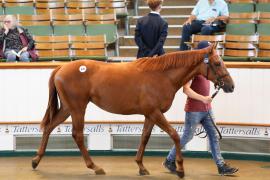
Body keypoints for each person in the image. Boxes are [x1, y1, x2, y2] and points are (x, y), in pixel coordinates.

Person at [163, 41, 239, 176]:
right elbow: (186, 90)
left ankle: (221, 166)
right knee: (187, 137)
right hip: (194, 110)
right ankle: (169, 160)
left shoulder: (207, 69)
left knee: (213, 136)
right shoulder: (192, 71)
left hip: (207, 109)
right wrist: (203, 98)